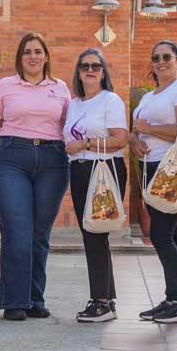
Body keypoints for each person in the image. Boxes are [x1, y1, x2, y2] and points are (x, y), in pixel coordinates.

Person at [0, 32, 71, 321]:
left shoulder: (60, 88)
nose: (33, 57)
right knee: (17, 228)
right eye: (27, 52)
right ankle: (14, 300)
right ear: (19, 58)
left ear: (46, 56)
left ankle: (35, 298)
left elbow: (67, 125)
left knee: (39, 232)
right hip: (10, 158)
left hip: (52, 160)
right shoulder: (5, 86)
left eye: (38, 51)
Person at [132, 40, 177, 323]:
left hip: (172, 169)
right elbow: (137, 130)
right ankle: (176, 297)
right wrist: (136, 140)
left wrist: (149, 129)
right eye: (156, 58)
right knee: (171, 235)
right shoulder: (149, 97)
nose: (161, 62)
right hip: (150, 167)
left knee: (159, 234)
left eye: (167, 57)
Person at [63, 48, 130, 322]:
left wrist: (86, 144)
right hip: (79, 170)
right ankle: (106, 299)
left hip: (104, 170)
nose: (90, 70)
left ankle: (100, 301)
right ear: (78, 72)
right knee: (92, 233)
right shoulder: (75, 103)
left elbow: (121, 138)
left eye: (96, 66)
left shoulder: (109, 100)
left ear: (103, 72)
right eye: (84, 66)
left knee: (95, 233)